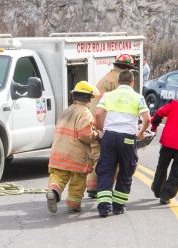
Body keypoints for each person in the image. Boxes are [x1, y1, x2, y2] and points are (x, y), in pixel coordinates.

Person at [95, 70, 151, 217]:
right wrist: (140, 133)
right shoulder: (138, 97)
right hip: (127, 138)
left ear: (118, 82)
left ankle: (104, 207)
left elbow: (98, 113)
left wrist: (101, 129)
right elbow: (147, 119)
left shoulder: (108, 95)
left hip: (109, 136)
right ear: (132, 83)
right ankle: (118, 206)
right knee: (126, 170)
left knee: (106, 169)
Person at [86, 54, 136, 198]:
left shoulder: (107, 77)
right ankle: (104, 191)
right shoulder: (119, 82)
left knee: (98, 157)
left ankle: (92, 188)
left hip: (94, 120)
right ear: (127, 68)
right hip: (106, 125)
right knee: (111, 160)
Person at [46, 81, 100, 213]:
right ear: (88, 98)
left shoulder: (66, 111)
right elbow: (84, 134)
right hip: (76, 156)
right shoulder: (85, 113)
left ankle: (53, 191)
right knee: (78, 182)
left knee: (58, 177)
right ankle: (73, 205)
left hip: (58, 154)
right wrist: (97, 134)